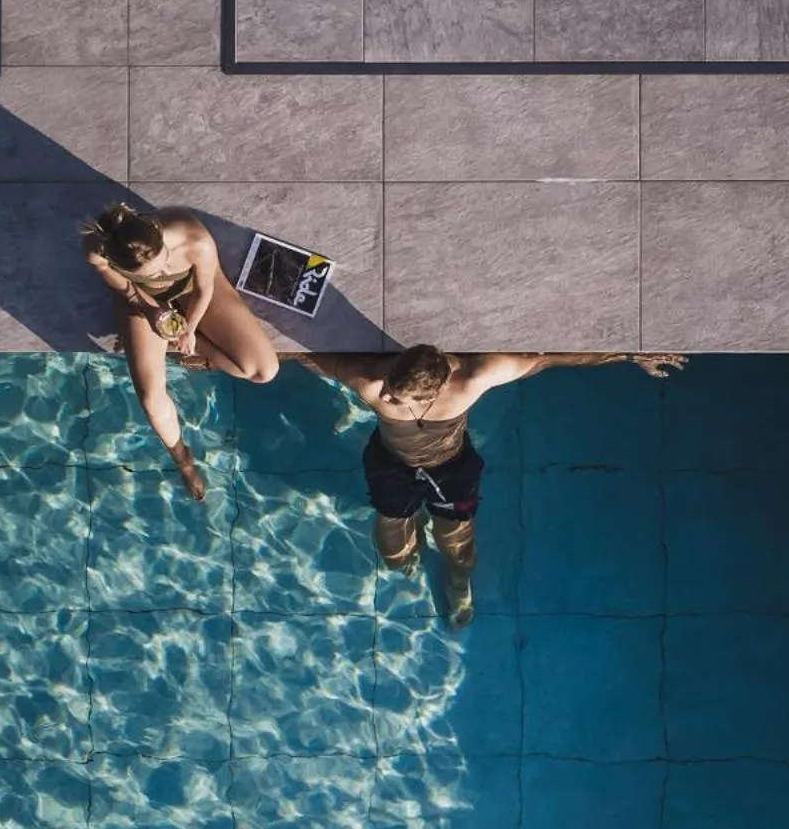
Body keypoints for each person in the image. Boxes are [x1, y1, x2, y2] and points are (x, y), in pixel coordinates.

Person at [291, 345, 686, 627]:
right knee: (392, 525)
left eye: (399, 396)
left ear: (435, 391)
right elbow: (314, 356)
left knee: (457, 539)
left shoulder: (471, 379)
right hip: (390, 462)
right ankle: (403, 561)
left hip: (450, 468)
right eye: (390, 388)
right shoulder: (374, 382)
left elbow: (543, 360)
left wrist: (626, 356)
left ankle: (457, 581)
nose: (386, 397)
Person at [82, 203, 279, 499]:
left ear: (160, 237)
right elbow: (102, 268)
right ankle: (183, 460)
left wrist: (189, 329)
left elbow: (204, 289)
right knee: (150, 397)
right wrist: (145, 305)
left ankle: (193, 341)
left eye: (163, 264)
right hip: (141, 302)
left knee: (263, 371)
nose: (161, 272)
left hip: (191, 291)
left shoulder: (193, 239)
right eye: (151, 272)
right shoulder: (100, 249)